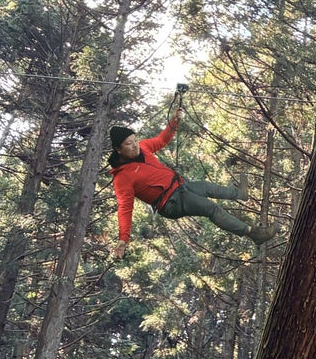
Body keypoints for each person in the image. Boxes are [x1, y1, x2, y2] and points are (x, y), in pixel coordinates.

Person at [109, 108, 276, 257]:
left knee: (206, 187)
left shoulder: (144, 147)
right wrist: (123, 239)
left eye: (135, 140)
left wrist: (174, 122)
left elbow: (161, 140)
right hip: (170, 203)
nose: (135, 146)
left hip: (180, 187)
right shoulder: (122, 178)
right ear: (118, 149)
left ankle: (240, 194)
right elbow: (125, 208)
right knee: (211, 208)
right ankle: (253, 234)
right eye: (129, 144)